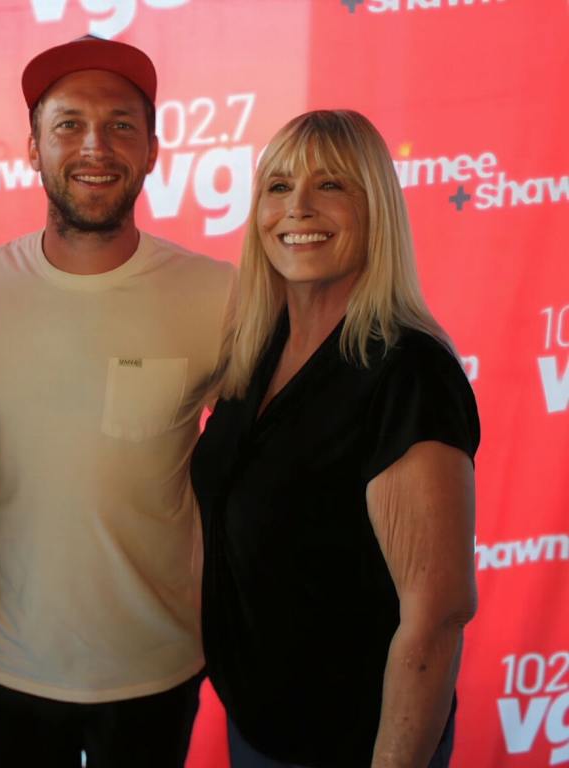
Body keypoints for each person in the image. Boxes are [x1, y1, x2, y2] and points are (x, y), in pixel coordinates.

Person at [0, 36, 234, 768]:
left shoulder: (217, 293)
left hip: (156, 662)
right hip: (10, 661)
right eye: (69, 124)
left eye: (120, 125)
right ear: (33, 147)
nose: (95, 146)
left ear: (152, 151)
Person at [191, 109, 479, 768]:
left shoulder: (408, 373)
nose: (298, 207)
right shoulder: (255, 350)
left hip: (354, 745)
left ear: (374, 207)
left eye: (331, 186)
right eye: (279, 186)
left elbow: (437, 613)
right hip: (260, 728)